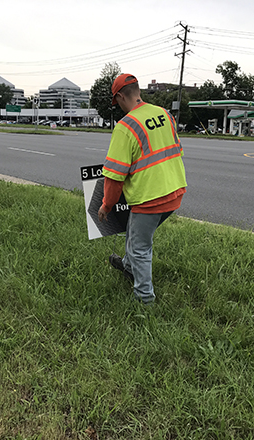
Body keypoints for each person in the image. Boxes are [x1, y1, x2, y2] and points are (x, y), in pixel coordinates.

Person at [98, 74, 187, 304]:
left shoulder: (125, 127)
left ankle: (144, 300)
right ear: (138, 92)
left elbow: (114, 177)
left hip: (150, 198)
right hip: (174, 191)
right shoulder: (165, 114)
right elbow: (176, 151)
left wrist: (106, 206)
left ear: (119, 96)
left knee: (140, 247)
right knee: (135, 230)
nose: (117, 106)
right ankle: (128, 266)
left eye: (115, 102)